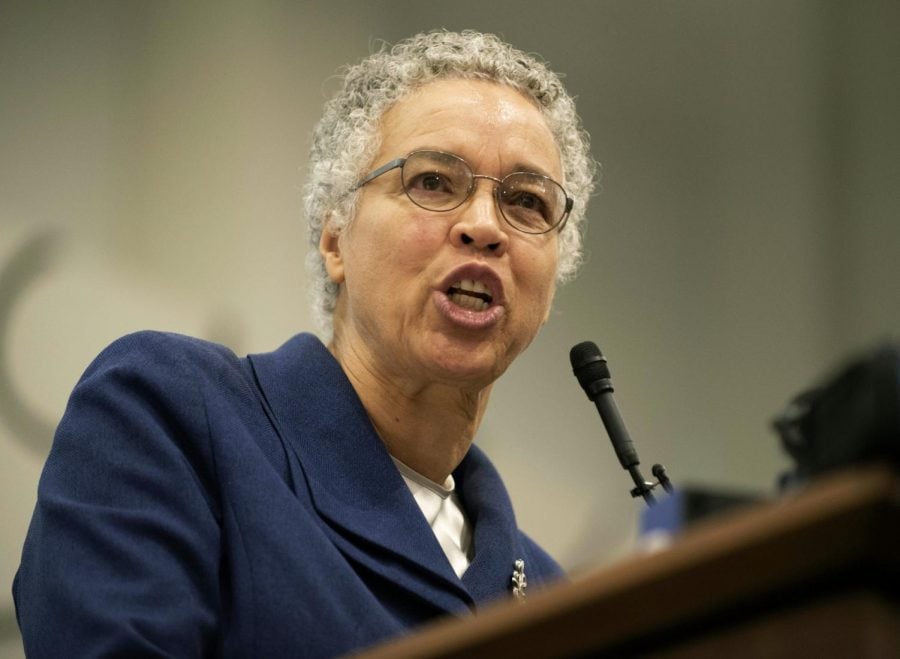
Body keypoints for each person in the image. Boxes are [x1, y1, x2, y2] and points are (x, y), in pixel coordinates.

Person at [14, 30, 595, 657]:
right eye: (433, 182)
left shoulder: (553, 594)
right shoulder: (170, 411)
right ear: (335, 240)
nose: (483, 226)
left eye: (527, 202)